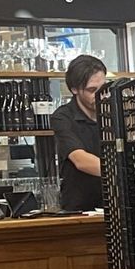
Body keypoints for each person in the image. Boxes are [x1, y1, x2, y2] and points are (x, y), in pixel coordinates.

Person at [51, 54, 108, 211]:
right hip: (79, 209)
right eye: (92, 90)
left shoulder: (113, 113)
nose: (100, 96)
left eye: (103, 89)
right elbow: (81, 160)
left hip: (114, 205)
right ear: (74, 89)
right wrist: (122, 171)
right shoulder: (63, 117)